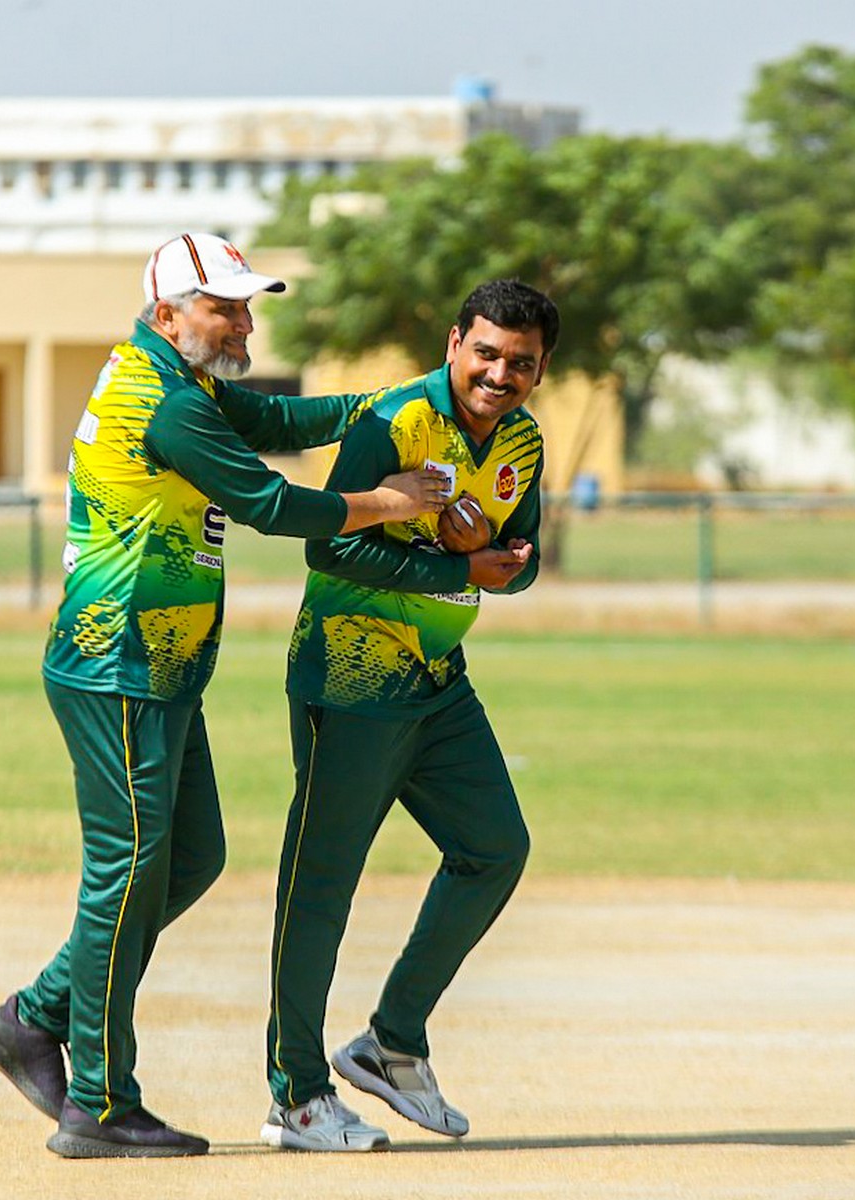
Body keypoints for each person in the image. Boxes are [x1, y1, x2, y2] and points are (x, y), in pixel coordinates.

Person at [0, 232, 449, 1159]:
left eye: (245, 307)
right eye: (224, 307)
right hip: (119, 666)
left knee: (189, 858)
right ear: (168, 313)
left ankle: (33, 1017)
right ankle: (99, 1103)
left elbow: (282, 421)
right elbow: (274, 506)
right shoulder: (169, 404)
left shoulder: (183, 382)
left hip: (158, 670)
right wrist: (393, 502)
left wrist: (401, 399)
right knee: (127, 874)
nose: (244, 324)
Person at [261, 279, 557, 1152]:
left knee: (495, 850)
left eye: (521, 362)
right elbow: (328, 544)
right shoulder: (394, 423)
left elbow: (522, 559)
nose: (500, 374)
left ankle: (391, 1042)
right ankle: (296, 1096)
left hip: (437, 683)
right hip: (350, 680)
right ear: (455, 341)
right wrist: (456, 569)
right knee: (321, 885)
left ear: (541, 369)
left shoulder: (524, 440)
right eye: (486, 353)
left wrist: (500, 561)